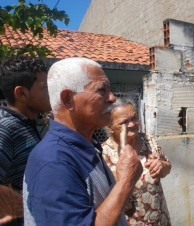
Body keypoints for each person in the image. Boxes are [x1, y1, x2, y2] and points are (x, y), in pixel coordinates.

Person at [23, 57, 143, 226]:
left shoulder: (87, 144)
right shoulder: (54, 161)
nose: (112, 98)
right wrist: (125, 182)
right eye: (101, 90)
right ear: (68, 99)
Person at [101, 98, 171, 225]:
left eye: (134, 118)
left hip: (160, 220)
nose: (132, 124)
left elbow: (167, 167)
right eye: (124, 122)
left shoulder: (149, 141)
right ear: (110, 127)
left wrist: (162, 165)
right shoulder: (103, 154)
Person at [0, 56, 51, 225]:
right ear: (21, 93)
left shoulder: (28, 122)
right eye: (45, 87)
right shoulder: (6, 127)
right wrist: (25, 203)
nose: (51, 92)